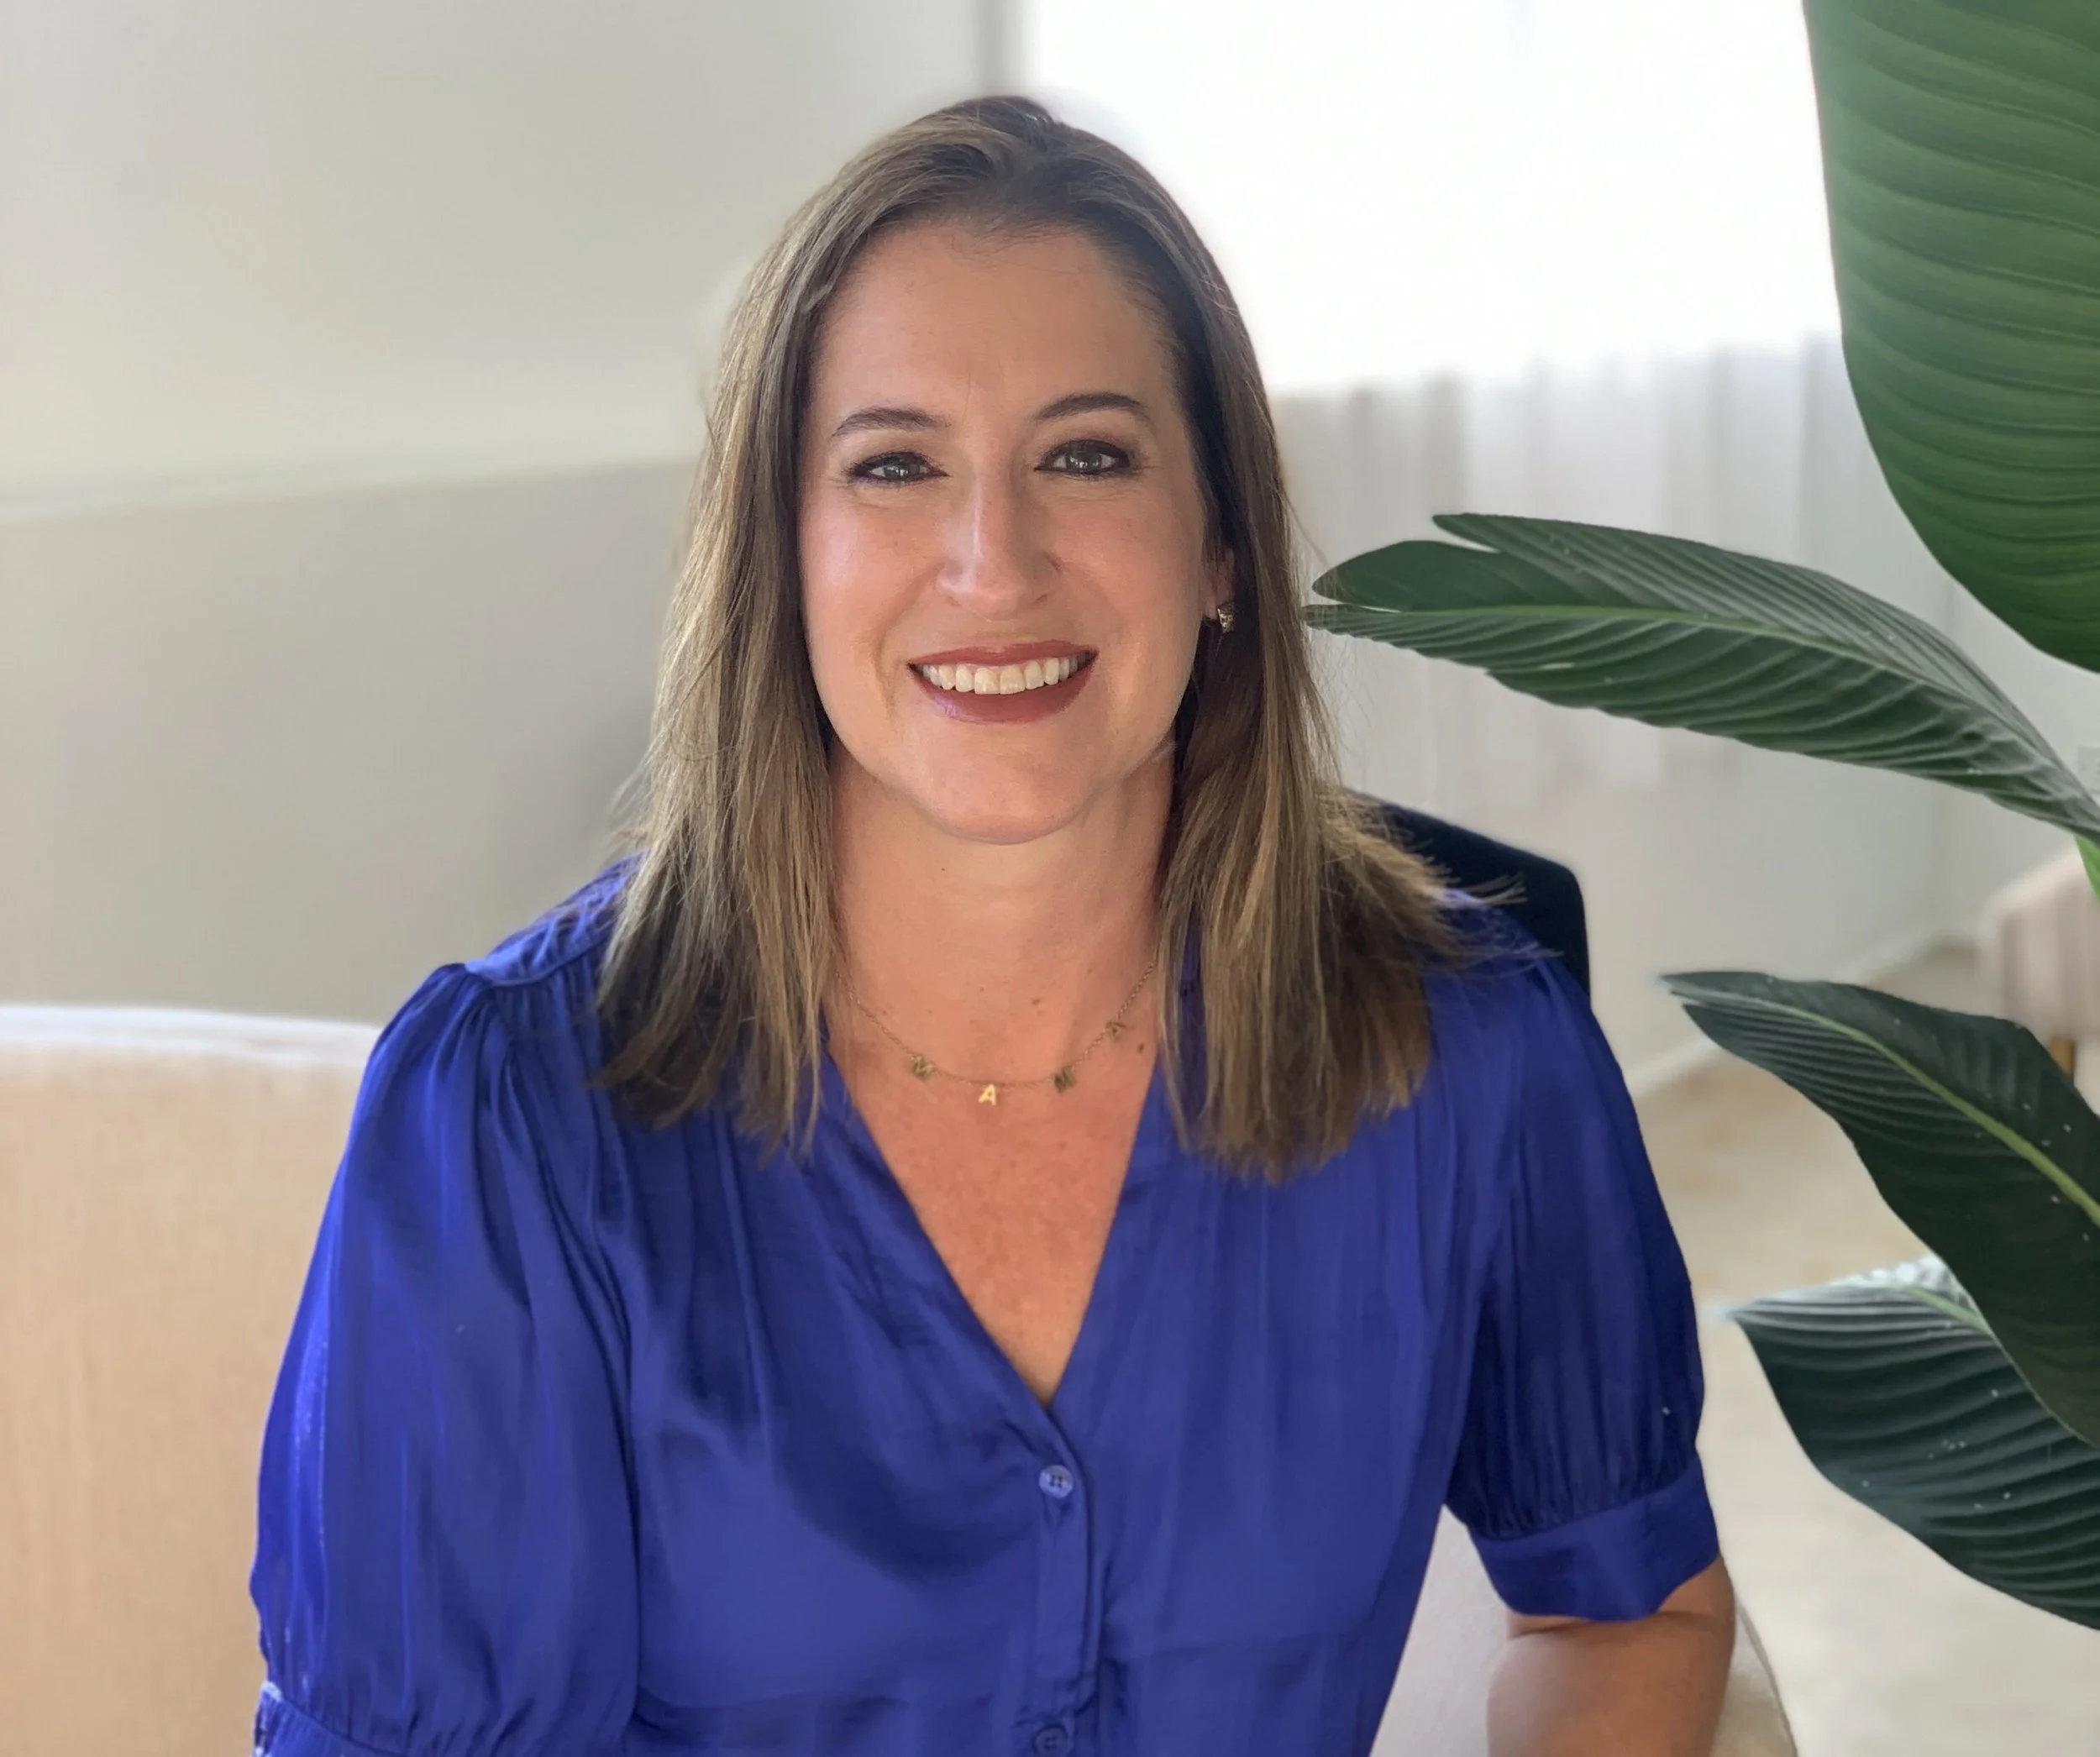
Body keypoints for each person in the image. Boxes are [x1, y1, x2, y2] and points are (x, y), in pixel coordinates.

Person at [249, 95, 1735, 1757]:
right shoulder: (506, 1115)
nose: (992, 558)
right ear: (782, 558)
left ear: (1222, 546)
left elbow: (1627, 1601)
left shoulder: (1472, 1051)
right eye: (894, 465)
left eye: (1083, 455)